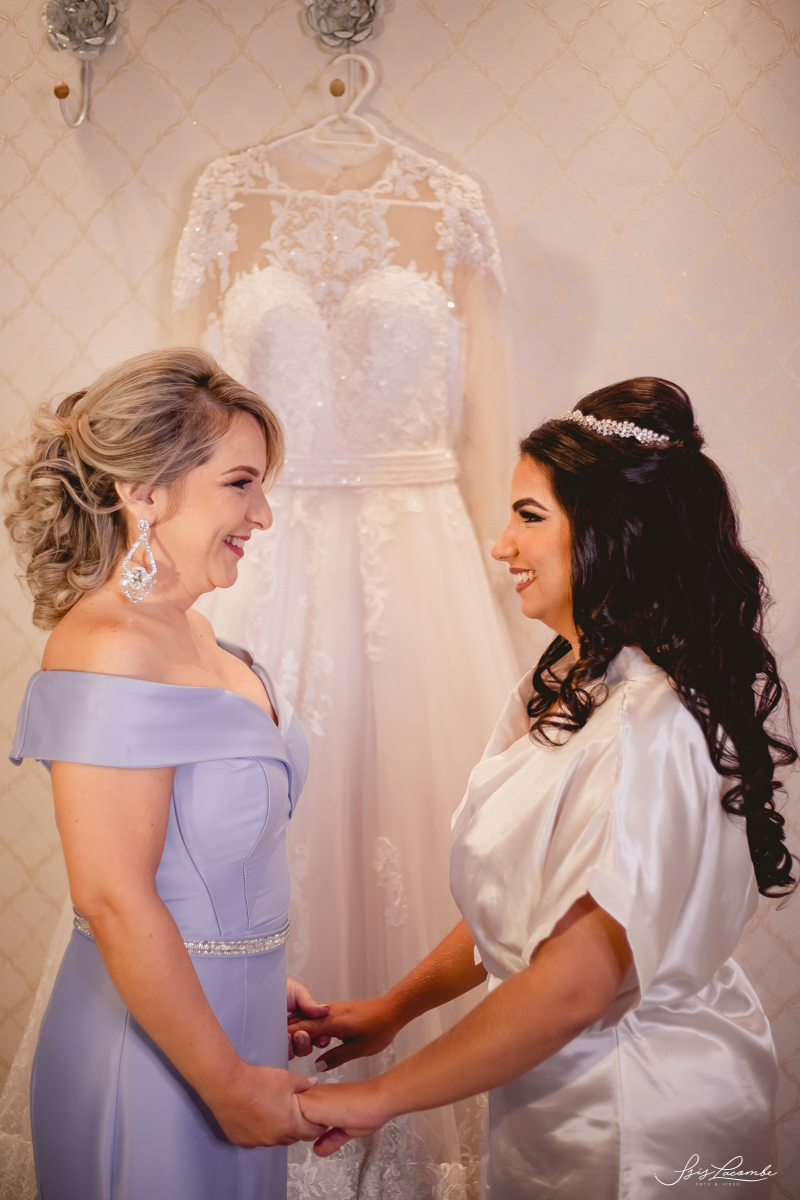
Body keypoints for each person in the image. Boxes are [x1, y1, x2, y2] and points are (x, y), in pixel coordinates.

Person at [288, 378, 796, 1198]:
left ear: (612, 531)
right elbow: (533, 899)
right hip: (565, 1091)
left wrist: (378, 1097)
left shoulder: (651, 721)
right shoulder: (577, 684)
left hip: (633, 1116)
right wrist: (396, 1006)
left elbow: (575, 983)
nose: (501, 546)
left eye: (529, 516)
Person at [4, 348, 330, 1200]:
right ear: (144, 492)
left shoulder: (197, 634)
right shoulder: (110, 647)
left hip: (221, 1026)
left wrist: (250, 975)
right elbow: (112, 897)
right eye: (240, 484)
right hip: (152, 1059)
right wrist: (229, 1085)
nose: (263, 514)